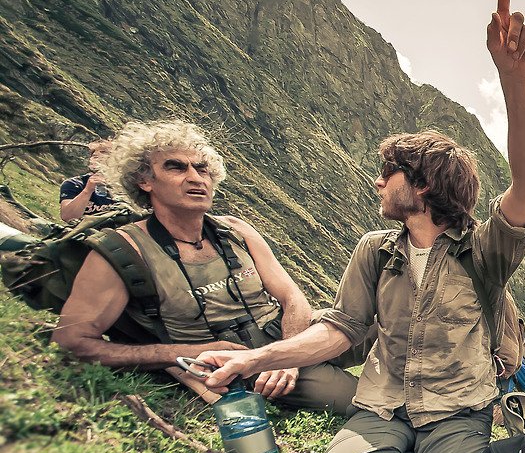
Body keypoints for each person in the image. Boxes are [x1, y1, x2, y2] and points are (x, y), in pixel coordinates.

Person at [195, 0, 525, 453]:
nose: (378, 184)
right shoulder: (375, 252)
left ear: (425, 186)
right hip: (384, 402)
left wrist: (515, 83)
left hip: (458, 409)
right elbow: (343, 329)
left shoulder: (484, 251)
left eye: (390, 175)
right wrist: (258, 358)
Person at [51, 120, 356, 414]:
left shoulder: (236, 229)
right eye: (175, 166)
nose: (196, 178)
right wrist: (175, 355)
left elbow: (291, 297)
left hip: (290, 335)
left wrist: (289, 357)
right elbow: (71, 342)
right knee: (365, 401)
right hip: (235, 360)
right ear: (144, 181)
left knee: (393, 324)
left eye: (202, 168)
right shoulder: (122, 251)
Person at [59, 139, 121, 222]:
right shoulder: (74, 184)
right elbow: (67, 216)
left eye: (104, 155)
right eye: (95, 156)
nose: (98, 159)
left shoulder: (122, 187)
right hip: (81, 232)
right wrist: (87, 190)